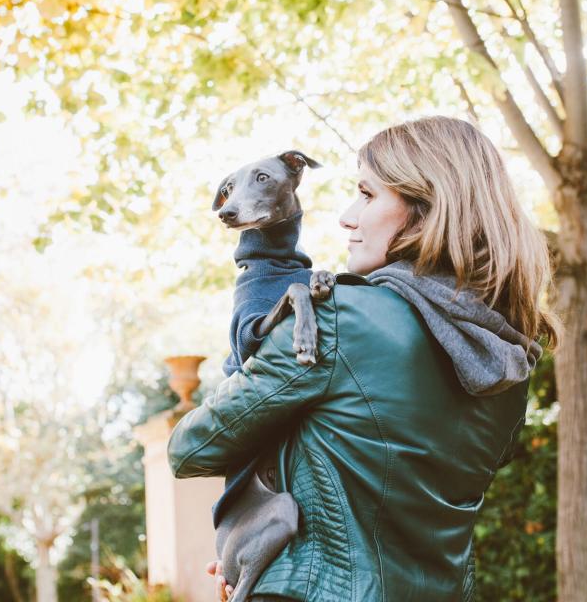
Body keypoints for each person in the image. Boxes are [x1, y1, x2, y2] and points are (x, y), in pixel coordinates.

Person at [167, 116, 561, 601]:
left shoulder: (338, 321)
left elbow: (190, 448)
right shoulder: (508, 358)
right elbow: (387, 496)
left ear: (426, 208)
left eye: (368, 195)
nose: (346, 216)